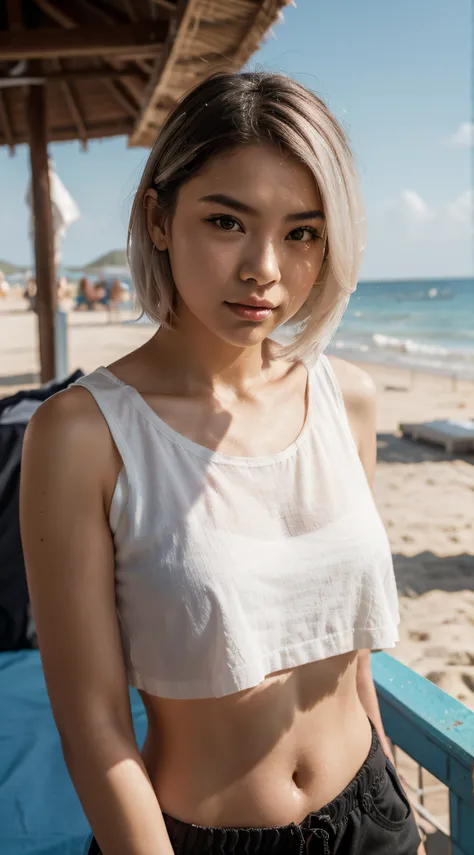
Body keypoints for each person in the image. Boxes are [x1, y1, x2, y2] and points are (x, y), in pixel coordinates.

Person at [19, 72, 425, 855]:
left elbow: (351, 655)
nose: (264, 267)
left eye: (302, 232)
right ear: (161, 218)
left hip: (372, 814)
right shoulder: (83, 434)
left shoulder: (349, 399)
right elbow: (93, 726)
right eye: (228, 221)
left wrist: (394, 806)